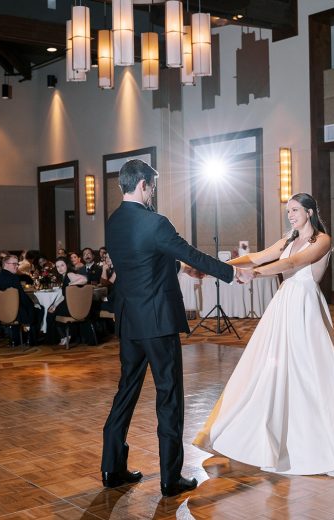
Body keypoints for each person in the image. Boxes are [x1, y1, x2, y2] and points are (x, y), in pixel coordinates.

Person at [194, 193, 334, 479]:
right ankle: (268, 435)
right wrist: (216, 267)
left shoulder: (322, 241)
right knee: (269, 369)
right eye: (288, 211)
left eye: (294, 210)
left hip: (305, 306)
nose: (290, 215)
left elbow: (293, 264)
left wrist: (256, 275)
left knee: (310, 371)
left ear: (310, 211)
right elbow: (257, 256)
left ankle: (324, 442)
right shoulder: (288, 239)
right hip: (283, 305)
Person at [100, 159, 250, 498]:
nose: (152, 192)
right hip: (158, 321)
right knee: (169, 397)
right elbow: (191, 252)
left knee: (126, 392)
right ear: (143, 186)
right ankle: (171, 478)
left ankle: (112, 468)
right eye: (152, 186)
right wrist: (230, 272)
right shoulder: (155, 222)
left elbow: (143, 261)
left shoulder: (114, 222)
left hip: (129, 320)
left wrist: (180, 267)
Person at [0, 254, 43, 345]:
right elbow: (22, 297)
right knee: (38, 309)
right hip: (14, 313)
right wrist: (34, 304)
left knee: (19, 307)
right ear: (6, 264)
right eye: (14, 264)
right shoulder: (13, 278)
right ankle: (31, 340)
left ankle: (17, 339)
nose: (17, 266)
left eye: (17, 264)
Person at [45, 256, 88, 346]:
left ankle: (63, 336)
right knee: (51, 309)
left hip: (73, 305)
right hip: (69, 303)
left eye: (62, 265)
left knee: (51, 313)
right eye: (58, 266)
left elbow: (84, 279)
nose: (60, 268)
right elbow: (63, 295)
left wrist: (70, 284)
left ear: (67, 265)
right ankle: (64, 336)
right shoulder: (64, 276)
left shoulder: (69, 274)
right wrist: (55, 305)